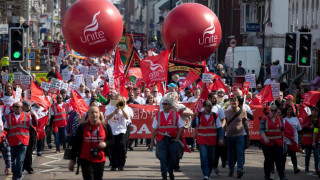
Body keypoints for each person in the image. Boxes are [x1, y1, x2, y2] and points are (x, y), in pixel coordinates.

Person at [69, 106, 112, 180]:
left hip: (100, 159)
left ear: (99, 114)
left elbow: (111, 140)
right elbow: (75, 144)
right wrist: (72, 160)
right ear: (88, 114)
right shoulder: (82, 127)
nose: (94, 114)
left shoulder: (106, 126)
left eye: (96, 112)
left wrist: (105, 144)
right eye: (92, 112)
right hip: (86, 159)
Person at [150, 97, 184, 180]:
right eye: (163, 104)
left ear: (170, 105)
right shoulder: (158, 115)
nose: (164, 106)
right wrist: (152, 141)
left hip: (172, 140)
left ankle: (170, 171)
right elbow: (154, 129)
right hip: (162, 140)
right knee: (163, 157)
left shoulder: (176, 115)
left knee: (173, 158)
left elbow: (181, 126)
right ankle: (164, 175)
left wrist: (177, 138)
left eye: (166, 104)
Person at [4, 102, 37, 180]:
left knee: (20, 160)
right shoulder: (8, 117)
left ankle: (17, 177)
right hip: (12, 142)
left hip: (23, 142)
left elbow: (35, 124)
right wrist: (3, 138)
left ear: (22, 108)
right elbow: (6, 129)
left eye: (17, 106)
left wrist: (33, 115)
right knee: (11, 161)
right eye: (14, 106)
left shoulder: (27, 116)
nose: (15, 108)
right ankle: (15, 174)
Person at [194, 100, 223, 180]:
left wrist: (220, 138)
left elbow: (219, 128)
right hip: (202, 141)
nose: (210, 107)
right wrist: (194, 117)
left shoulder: (215, 116)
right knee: (203, 157)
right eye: (208, 106)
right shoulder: (199, 115)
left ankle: (208, 173)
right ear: (204, 107)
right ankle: (206, 174)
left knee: (211, 159)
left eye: (211, 106)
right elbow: (193, 125)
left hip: (212, 141)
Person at [105, 95, 133, 171]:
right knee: (112, 148)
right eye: (115, 100)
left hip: (121, 130)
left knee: (121, 148)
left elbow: (127, 117)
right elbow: (106, 118)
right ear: (113, 100)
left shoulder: (124, 107)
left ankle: (121, 165)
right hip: (112, 130)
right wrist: (113, 113)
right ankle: (113, 165)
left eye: (118, 100)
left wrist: (122, 109)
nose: (117, 102)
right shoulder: (109, 107)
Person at [224, 96, 249, 178]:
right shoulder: (226, 112)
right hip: (229, 136)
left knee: (240, 153)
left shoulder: (243, 111)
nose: (233, 104)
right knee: (230, 154)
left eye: (235, 102)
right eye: (232, 102)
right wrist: (222, 136)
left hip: (240, 136)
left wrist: (248, 136)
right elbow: (224, 125)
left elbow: (245, 125)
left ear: (238, 103)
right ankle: (231, 169)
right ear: (230, 103)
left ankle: (239, 169)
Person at [259, 105, 286, 180]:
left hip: (277, 143)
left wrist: (284, 139)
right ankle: (267, 175)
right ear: (269, 110)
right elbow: (261, 130)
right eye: (272, 110)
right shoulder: (264, 119)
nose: (274, 112)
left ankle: (282, 176)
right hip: (267, 143)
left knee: (279, 160)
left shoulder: (280, 119)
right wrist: (265, 137)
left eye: (275, 110)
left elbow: (283, 130)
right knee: (268, 160)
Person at [207, 93, 227, 176]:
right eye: (214, 98)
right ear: (209, 98)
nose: (215, 100)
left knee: (216, 152)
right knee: (207, 152)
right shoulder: (204, 108)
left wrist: (221, 128)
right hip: (206, 134)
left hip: (216, 134)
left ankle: (215, 166)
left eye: (216, 98)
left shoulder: (219, 108)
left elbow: (223, 119)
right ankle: (207, 169)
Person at [283, 105, 302, 174]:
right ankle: (282, 169)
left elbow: (299, 130)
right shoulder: (283, 119)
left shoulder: (295, 119)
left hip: (293, 141)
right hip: (285, 140)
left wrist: (300, 141)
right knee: (284, 155)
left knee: (293, 155)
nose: (290, 111)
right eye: (288, 109)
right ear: (286, 111)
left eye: (291, 109)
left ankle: (295, 168)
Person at [22, 101, 38, 174]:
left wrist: (33, 115)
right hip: (21, 133)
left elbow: (35, 123)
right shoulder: (19, 112)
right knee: (21, 151)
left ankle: (28, 167)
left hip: (30, 133)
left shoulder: (32, 112)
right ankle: (21, 167)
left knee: (28, 151)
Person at [303, 106, 319, 174]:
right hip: (308, 140)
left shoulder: (318, 120)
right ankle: (307, 166)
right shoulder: (307, 119)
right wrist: (310, 127)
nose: (314, 112)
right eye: (313, 110)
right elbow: (303, 128)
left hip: (316, 141)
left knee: (316, 154)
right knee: (308, 155)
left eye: (315, 111)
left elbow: (317, 129)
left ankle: (316, 168)